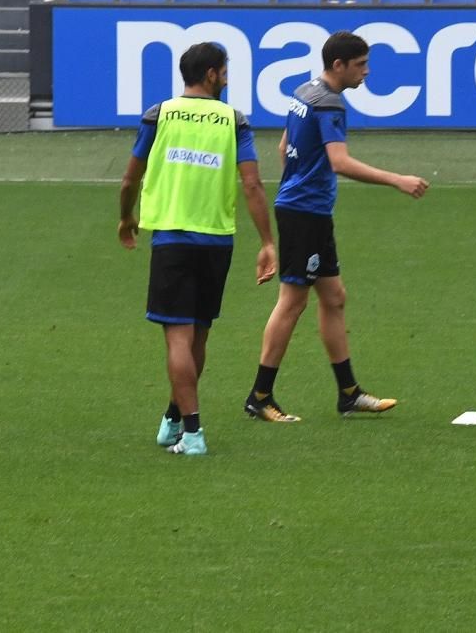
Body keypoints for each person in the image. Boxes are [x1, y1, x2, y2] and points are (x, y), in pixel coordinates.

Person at [243, 31, 429, 423]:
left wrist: (300, 177)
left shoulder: (304, 91)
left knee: (334, 297)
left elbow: (283, 147)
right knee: (292, 302)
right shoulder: (330, 103)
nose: (367, 71)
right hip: (304, 214)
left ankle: (348, 393)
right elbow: (339, 162)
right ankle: (260, 396)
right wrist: (397, 180)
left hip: (306, 210)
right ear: (339, 65)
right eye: (360, 65)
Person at [118, 41, 277, 456]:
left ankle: (193, 434)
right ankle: (174, 419)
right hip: (216, 238)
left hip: (172, 237)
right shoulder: (233, 121)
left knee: (177, 339)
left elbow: (130, 179)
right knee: (198, 335)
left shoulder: (160, 114)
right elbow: (253, 184)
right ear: (210, 74)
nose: (225, 78)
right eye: (223, 72)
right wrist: (267, 242)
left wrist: (126, 217)